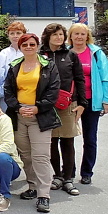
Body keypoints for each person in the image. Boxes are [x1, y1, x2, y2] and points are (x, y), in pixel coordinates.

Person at [4, 33, 60, 214]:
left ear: (37, 45)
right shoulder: (14, 66)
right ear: (20, 47)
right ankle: (33, 186)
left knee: (41, 156)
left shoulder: (48, 65)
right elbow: (8, 90)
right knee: (26, 155)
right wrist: (18, 107)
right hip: (20, 116)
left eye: (32, 44)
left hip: (40, 117)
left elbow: (53, 91)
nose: (28, 47)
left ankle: (44, 195)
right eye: (25, 44)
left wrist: (37, 107)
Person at [40, 23, 86, 196]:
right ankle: (56, 176)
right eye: (55, 35)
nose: (59, 38)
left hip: (68, 104)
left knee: (67, 141)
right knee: (50, 142)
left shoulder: (71, 55)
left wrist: (82, 104)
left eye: (61, 35)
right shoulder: (40, 55)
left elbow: (80, 80)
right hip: (46, 105)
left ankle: (68, 178)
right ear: (48, 36)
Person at [68, 23, 108, 186]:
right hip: (70, 101)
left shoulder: (96, 53)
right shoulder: (65, 53)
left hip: (91, 100)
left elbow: (107, 77)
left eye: (82, 34)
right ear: (71, 36)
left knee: (90, 138)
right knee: (67, 138)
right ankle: (68, 171)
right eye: (76, 34)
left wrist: (107, 100)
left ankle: (87, 172)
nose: (79, 37)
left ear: (87, 36)